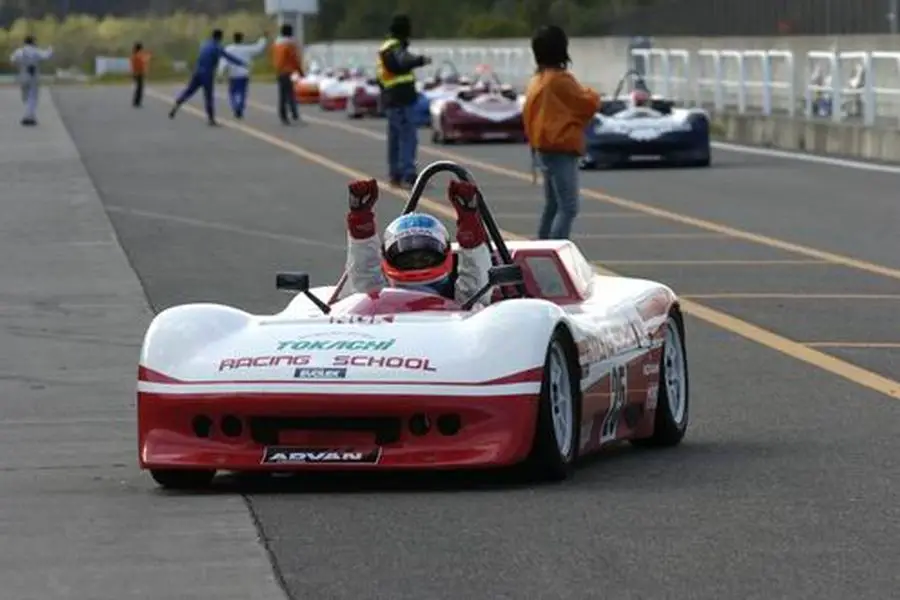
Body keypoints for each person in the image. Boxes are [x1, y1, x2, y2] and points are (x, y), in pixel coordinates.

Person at [343, 178, 491, 307]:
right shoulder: (374, 301)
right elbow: (365, 277)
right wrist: (361, 222)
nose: (416, 263)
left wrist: (470, 228)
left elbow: (476, 285)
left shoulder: (467, 305)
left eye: (424, 258)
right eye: (408, 259)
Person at [523, 25, 600, 240]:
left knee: (553, 205)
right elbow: (586, 103)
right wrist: (593, 93)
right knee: (569, 207)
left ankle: (541, 247)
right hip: (560, 147)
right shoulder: (560, 80)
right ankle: (556, 251)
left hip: (543, 147)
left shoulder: (537, 80)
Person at [377, 14, 431, 188]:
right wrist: (420, 60)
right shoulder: (395, 47)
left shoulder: (385, 47)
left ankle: (395, 173)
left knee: (394, 138)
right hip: (402, 97)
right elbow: (402, 62)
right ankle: (408, 173)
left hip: (390, 97)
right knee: (408, 137)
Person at [169, 29, 246, 126]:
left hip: (197, 71)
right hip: (207, 74)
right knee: (208, 97)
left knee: (189, 91)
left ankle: (177, 105)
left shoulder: (204, 44)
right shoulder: (217, 47)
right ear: (219, 37)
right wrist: (241, 63)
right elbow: (228, 57)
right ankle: (211, 119)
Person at [219, 31, 267, 119]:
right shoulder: (246, 49)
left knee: (232, 93)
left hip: (232, 74)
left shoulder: (228, 49)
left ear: (234, 38)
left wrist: (220, 74)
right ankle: (240, 107)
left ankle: (235, 106)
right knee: (242, 92)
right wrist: (263, 38)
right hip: (244, 74)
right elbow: (258, 48)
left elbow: (223, 62)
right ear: (242, 39)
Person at [9, 36, 53, 126]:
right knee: (32, 97)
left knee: (25, 97)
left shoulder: (19, 51)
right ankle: (28, 116)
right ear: (33, 42)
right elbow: (46, 56)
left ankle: (30, 115)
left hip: (23, 75)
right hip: (33, 76)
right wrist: (50, 49)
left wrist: (19, 65)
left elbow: (12, 59)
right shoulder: (35, 51)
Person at [272, 24, 302, 125]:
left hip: (280, 71)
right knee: (290, 94)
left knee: (282, 95)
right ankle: (294, 113)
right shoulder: (289, 45)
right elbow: (295, 59)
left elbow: (276, 59)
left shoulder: (277, 44)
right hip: (288, 72)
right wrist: (300, 71)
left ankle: (283, 115)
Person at [130, 42, 150, 108]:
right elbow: (141, 64)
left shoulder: (134, 55)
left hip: (136, 73)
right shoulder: (138, 56)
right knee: (140, 88)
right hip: (139, 73)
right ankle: (137, 102)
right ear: (140, 48)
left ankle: (136, 102)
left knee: (138, 88)